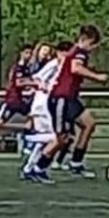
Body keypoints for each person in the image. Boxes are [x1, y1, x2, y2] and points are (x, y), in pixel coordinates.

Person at [37, 24, 108, 179]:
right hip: (61, 98)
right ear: (86, 40)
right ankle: (37, 167)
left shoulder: (74, 52)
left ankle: (76, 162)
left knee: (89, 124)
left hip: (69, 98)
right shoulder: (79, 52)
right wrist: (97, 77)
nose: (93, 49)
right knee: (62, 139)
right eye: (93, 44)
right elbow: (75, 68)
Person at [21, 41, 68, 183]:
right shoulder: (54, 64)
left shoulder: (62, 66)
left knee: (46, 141)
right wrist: (43, 86)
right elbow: (36, 78)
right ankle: (27, 139)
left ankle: (29, 169)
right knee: (53, 137)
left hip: (47, 105)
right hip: (42, 105)